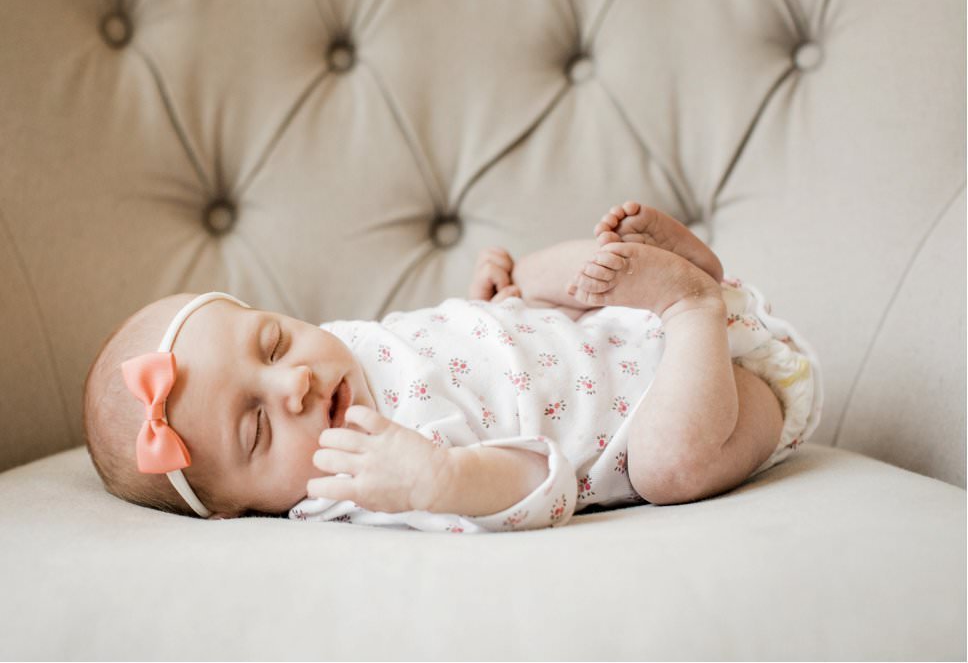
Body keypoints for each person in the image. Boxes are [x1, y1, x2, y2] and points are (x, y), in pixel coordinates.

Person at [83, 202, 821, 532]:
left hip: (606, 321)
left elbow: (440, 348)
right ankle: (692, 302)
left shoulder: (335, 344)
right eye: (255, 425)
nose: (293, 383)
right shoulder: (357, 482)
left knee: (534, 274)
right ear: (237, 509)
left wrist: (490, 307)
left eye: (271, 344)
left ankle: (689, 276)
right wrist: (444, 481)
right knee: (671, 468)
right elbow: (545, 481)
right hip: (699, 399)